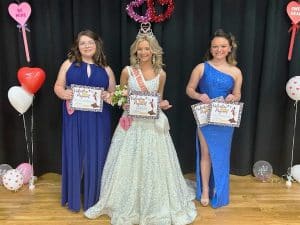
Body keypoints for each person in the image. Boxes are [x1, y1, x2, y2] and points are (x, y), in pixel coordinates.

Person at [84, 24, 197, 225]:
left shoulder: (161, 74)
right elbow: (119, 96)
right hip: (132, 124)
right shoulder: (128, 71)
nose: (143, 52)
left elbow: (158, 99)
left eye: (147, 48)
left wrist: (162, 104)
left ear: (153, 50)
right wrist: (125, 102)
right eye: (140, 48)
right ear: (135, 50)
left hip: (152, 125)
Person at [54, 30, 116, 212]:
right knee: (74, 153)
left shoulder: (106, 69)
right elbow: (58, 85)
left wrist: (108, 96)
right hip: (74, 117)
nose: (87, 46)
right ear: (77, 46)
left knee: (97, 154)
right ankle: (72, 198)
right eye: (83, 43)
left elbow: (114, 95)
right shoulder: (68, 64)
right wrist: (63, 93)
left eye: (90, 42)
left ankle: (94, 198)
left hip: (98, 119)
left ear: (97, 44)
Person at [186, 29, 243, 208]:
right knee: (206, 155)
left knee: (222, 155)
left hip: (224, 120)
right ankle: (204, 190)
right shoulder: (201, 67)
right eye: (215, 46)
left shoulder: (236, 71)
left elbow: (238, 94)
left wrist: (233, 98)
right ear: (210, 48)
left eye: (223, 46)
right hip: (205, 117)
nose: (219, 49)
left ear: (229, 48)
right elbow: (189, 89)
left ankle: (219, 190)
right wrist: (199, 96)